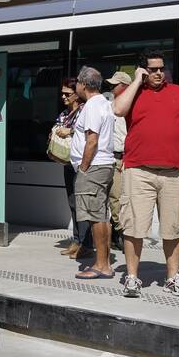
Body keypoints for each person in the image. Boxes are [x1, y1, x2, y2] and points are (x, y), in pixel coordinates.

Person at [112, 48, 179, 297]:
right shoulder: (132, 93)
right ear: (143, 70)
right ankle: (131, 277)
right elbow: (118, 110)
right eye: (153, 69)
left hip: (174, 172)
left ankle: (172, 278)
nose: (159, 73)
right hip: (139, 171)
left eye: (161, 68)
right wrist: (137, 81)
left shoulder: (178, 93)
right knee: (134, 227)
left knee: (173, 228)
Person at [69, 67, 117, 280]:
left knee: (95, 218)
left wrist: (83, 168)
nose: (76, 86)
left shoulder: (92, 106)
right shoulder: (105, 103)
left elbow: (92, 140)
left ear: (85, 85)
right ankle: (104, 262)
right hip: (103, 165)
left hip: (94, 167)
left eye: (78, 82)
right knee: (102, 216)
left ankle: (101, 265)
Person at [53, 78, 84, 257]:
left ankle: (85, 242)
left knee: (82, 204)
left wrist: (69, 131)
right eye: (62, 93)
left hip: (81, 162)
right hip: (67, 162)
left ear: (76, 94)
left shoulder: (84, 111)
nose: (63, 97)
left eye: (67, 93)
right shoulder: (65, 114)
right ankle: (77, 239)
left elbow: (88, 131)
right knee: (72, 202)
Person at [104, 70, 131, 251]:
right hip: (110, 157)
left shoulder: (130, 106)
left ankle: (121, 233)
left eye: (115, 85)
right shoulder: (108, 105)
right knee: (112, 198)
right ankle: (116, 233)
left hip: (122, 158)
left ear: (125, 87)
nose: (112, 88)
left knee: (117, 198)